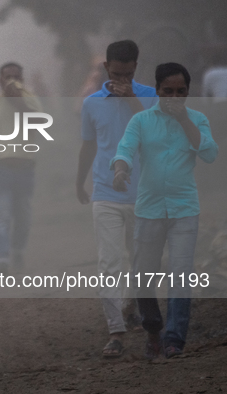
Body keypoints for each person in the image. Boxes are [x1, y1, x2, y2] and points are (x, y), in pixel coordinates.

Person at [111, 62, 218, 359]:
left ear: (188, 92)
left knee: (181, 273)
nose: (174, 97)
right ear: (157, 90)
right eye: (168, 91)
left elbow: (209, 153)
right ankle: (153, 328)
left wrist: (184, 120)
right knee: (144, 273)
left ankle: (174, 338)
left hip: (185, 209)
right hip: (149, 209)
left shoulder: (197, 119)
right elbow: (125, 149)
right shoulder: (142, 121)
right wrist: (120, 171)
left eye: (180, 92)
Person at [76, 40, 158, 358]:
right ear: (106, 67)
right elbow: (88, 146)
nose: (122, 78)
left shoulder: (151, 95)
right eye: (117, 72)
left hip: (144, 194)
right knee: (108, 263)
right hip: (105, 193)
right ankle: (115, 331)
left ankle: (131, 303)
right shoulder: (92, 103)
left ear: (136, 67)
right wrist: (78, 182)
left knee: (140, 261)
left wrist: (133, 98)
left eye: (128, 72)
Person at [0, 62, 43, 275]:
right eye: (7, 77)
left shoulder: (31, 100)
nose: (12, 80)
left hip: (25, 168)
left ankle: (17, 250)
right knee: (2, 215)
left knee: (23, 215)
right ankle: (2, 259)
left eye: (16, 77)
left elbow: (39, 124)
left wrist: (18, 102)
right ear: (0, 80)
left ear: (22, 80)